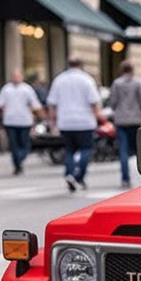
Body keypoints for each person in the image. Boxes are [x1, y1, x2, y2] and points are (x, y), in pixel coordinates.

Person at [46, 55, 102, 192]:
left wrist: (52, 122)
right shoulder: (87, 80)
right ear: (81, 65)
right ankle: (79, 175)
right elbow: (94, 102)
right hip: (84, 121)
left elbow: (52, 104)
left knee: (70, 150)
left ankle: (69, 173)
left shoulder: (59, 80)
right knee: (86, 149)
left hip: (65, 121)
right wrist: (99, 118)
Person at [107, 60, 141, 188]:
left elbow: (112, 101)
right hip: (135, 120)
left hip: (121, 120)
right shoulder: (138, 83)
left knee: (123, 151)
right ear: (132, 70)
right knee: (139, 150)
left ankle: (125, 178)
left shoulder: (116, 84)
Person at [0, 69, 43, 175]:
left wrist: (39, 116)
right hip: (10, 121)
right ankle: (17, 163)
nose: (16, 78)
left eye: (17, 76)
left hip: (25, 121)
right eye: (14, 76)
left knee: (25, 145)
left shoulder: (27, 89)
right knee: (13, 144)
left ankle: (19, 160)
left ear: (21, 77)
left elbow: (35, 104)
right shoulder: (6, 89)